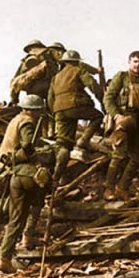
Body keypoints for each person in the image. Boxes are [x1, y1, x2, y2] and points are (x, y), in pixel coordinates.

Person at [0, 94, 55, 273]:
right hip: (28, 175)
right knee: (39, 200)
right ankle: (28, 235)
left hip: (15, 176)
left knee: (15, 219)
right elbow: (28, 145)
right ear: (34, 110)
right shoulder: (28, 123)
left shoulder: (16, 119)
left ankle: (4, 258)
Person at [103, 51, 139, 200]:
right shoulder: (122, 77)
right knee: (118, 155)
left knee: (136, 158)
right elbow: (108, 98)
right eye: (135, 61)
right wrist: (116, 115)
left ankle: (122, 188)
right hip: (124, 120)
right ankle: (109, 189)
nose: (138, 65)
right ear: (129, 62)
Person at [48, 50, 104, 180]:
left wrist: (55, 111)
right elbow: (92, 85)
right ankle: (83, 141)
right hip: (75, 105)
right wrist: (102, 99)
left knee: (63, 144)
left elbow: (50, 98)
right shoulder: (78, 70)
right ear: (76, 61)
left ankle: (57, 177)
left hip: (59, 111)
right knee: (97, 116)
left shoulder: (56, 77)